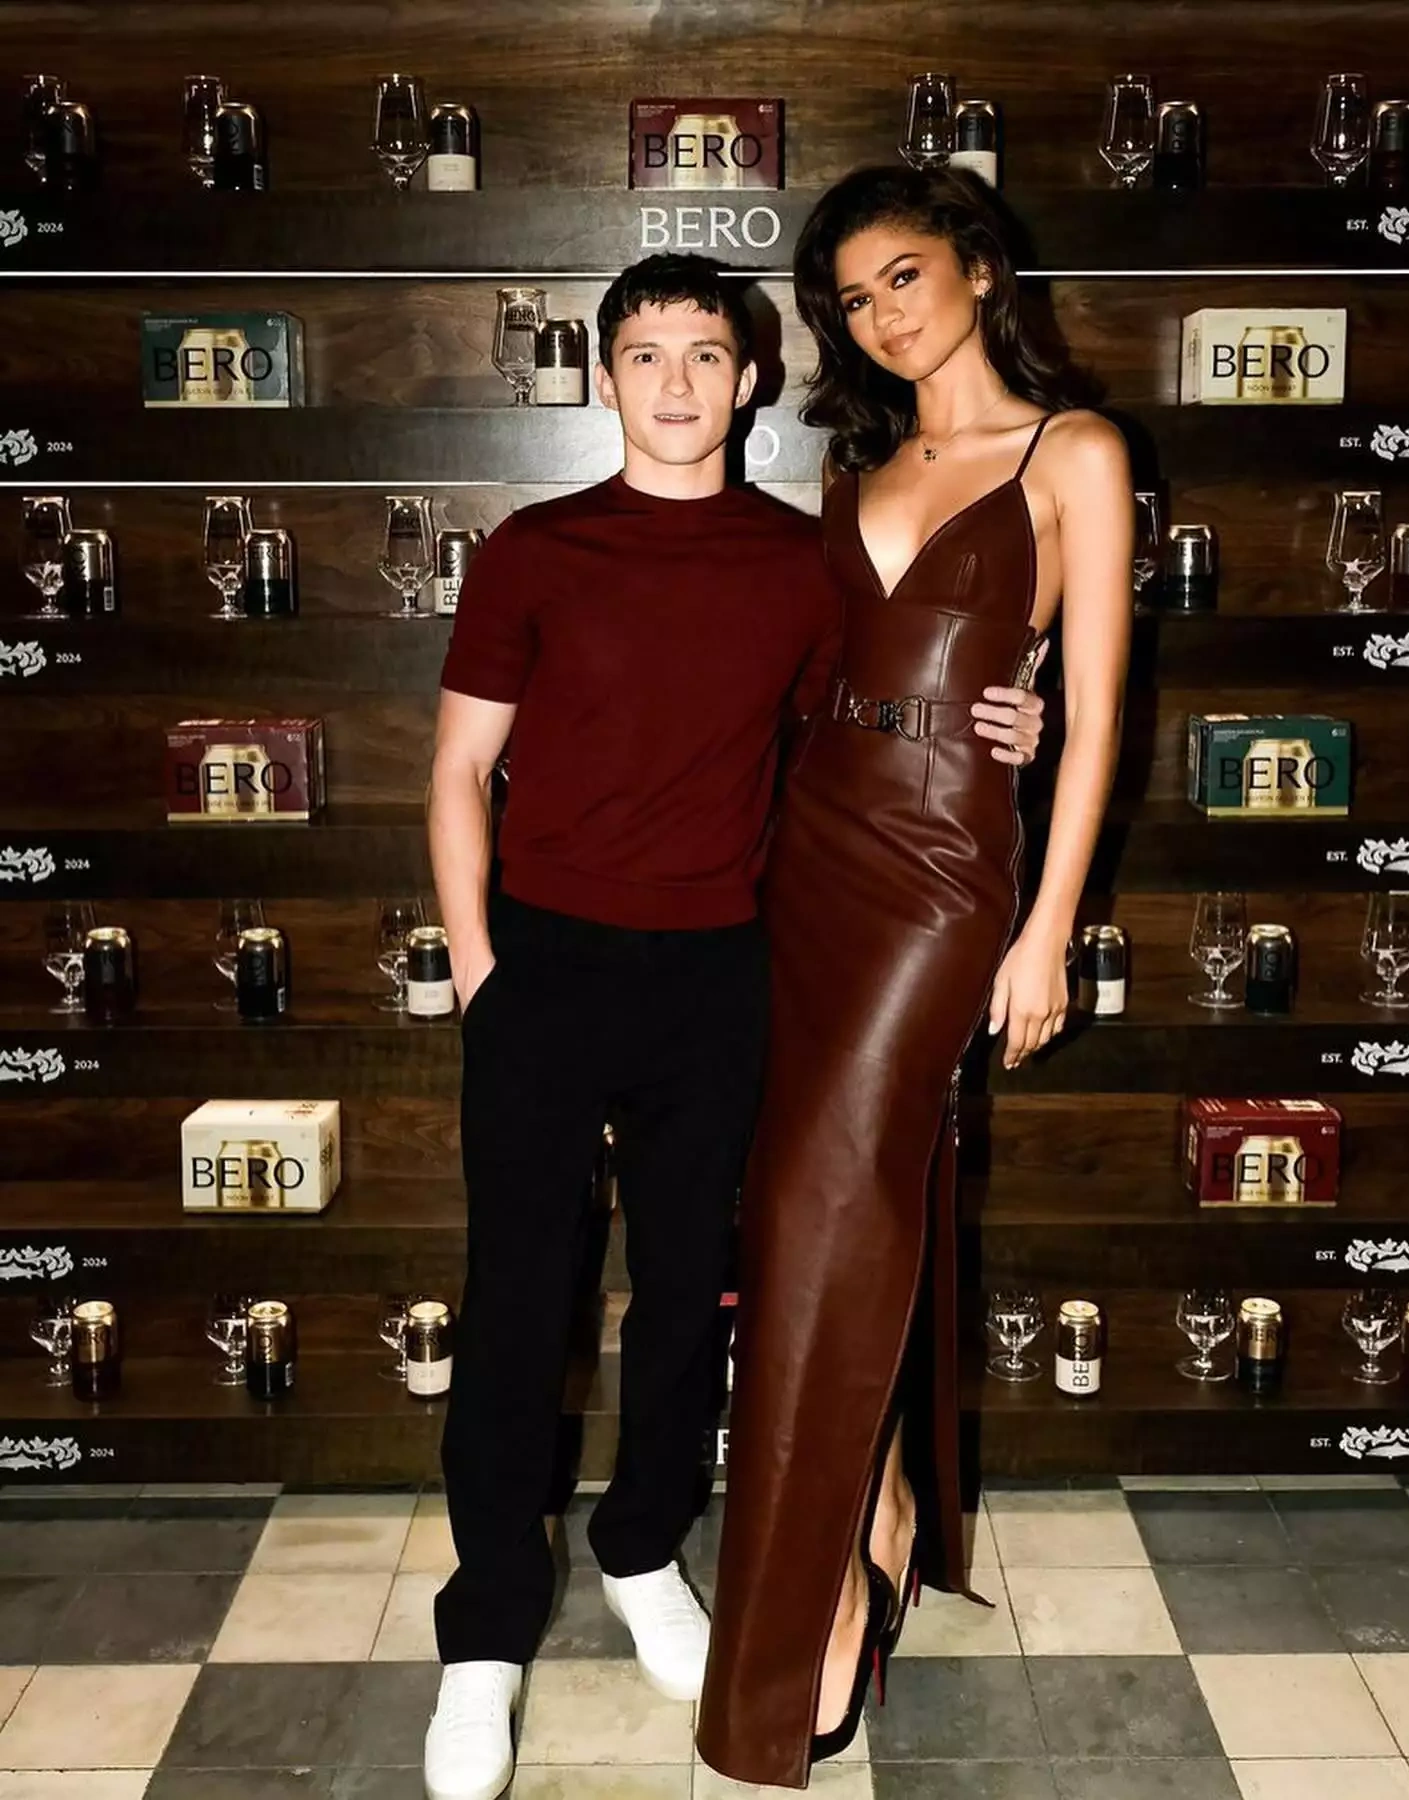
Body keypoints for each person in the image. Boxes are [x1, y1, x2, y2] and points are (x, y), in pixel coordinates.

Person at [422, 251, 1045, 1800]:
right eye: (646, 355)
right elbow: (457, 774)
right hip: (545, 971)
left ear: (751, 378)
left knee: (689, 1300)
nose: (677, 383)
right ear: (605, 378)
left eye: (706, 354)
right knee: (516, 1307)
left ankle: (643, 1556)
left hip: (720, 978)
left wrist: (1014, 716)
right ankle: (485, 1637)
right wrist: (484, 971)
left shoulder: (799, 561)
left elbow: (879, 721)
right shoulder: (534, 550)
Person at [697, 165, 1133, 1790]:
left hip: (948, 867)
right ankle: (875, 1510)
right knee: (827, 1204)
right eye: (851, 300)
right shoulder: (852, 465)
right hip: (806, 848)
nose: (881, 315)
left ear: (979, 267)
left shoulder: (1075, 453)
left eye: (903, 276)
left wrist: (1048, 925)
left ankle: (810, 1609)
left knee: (822, 1203)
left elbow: (1098, 715)